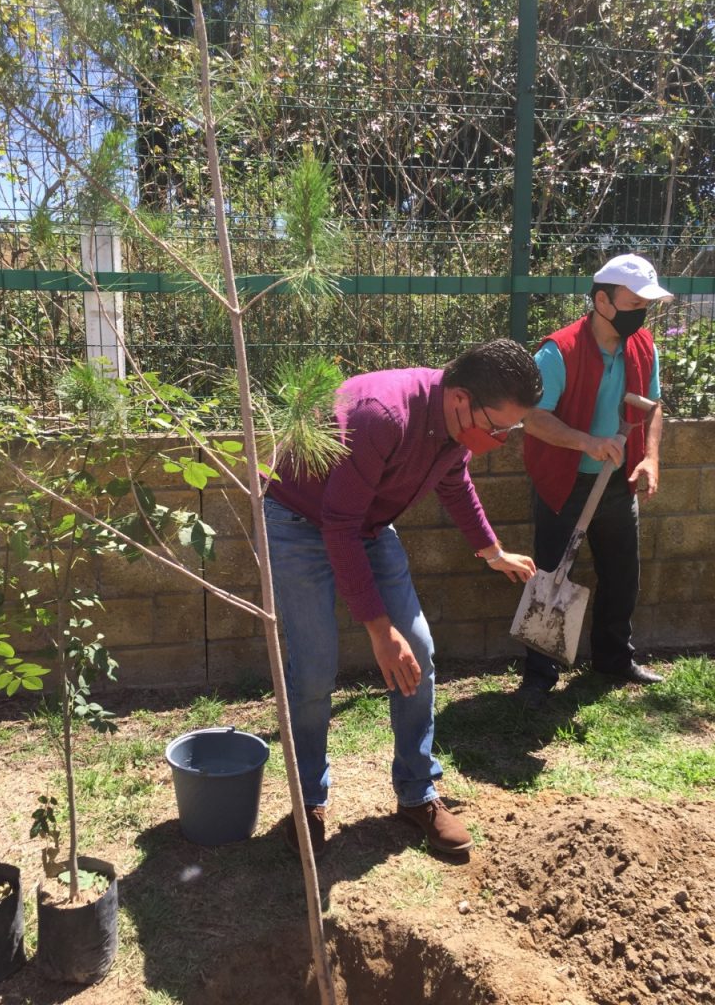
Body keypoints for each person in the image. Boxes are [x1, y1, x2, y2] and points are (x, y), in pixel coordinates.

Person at [264, 338, 542, 858]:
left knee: (419, 652)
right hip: (298, 522)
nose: (502, 439)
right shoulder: (382, 416)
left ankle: (418, 794)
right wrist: (377, 629)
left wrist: (492, 551)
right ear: (460, 398)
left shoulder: (456, 423)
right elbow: (338, 525)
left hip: (366, 524)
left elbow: (454, 481)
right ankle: (308, 803)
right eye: (498, 426)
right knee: (315, 666)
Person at [519, 253, 673, 708]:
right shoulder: (558, 350)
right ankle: (539, 675)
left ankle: (613, 659)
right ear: (602, 300)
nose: (641, 311)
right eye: (634, 301)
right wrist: (587, 442)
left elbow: (654, 406)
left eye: (647, 302)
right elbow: (532, 418)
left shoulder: (644, 346)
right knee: (551, 576)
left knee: (622, 576)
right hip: (562, 483)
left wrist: (650, 458)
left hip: (618, 483)